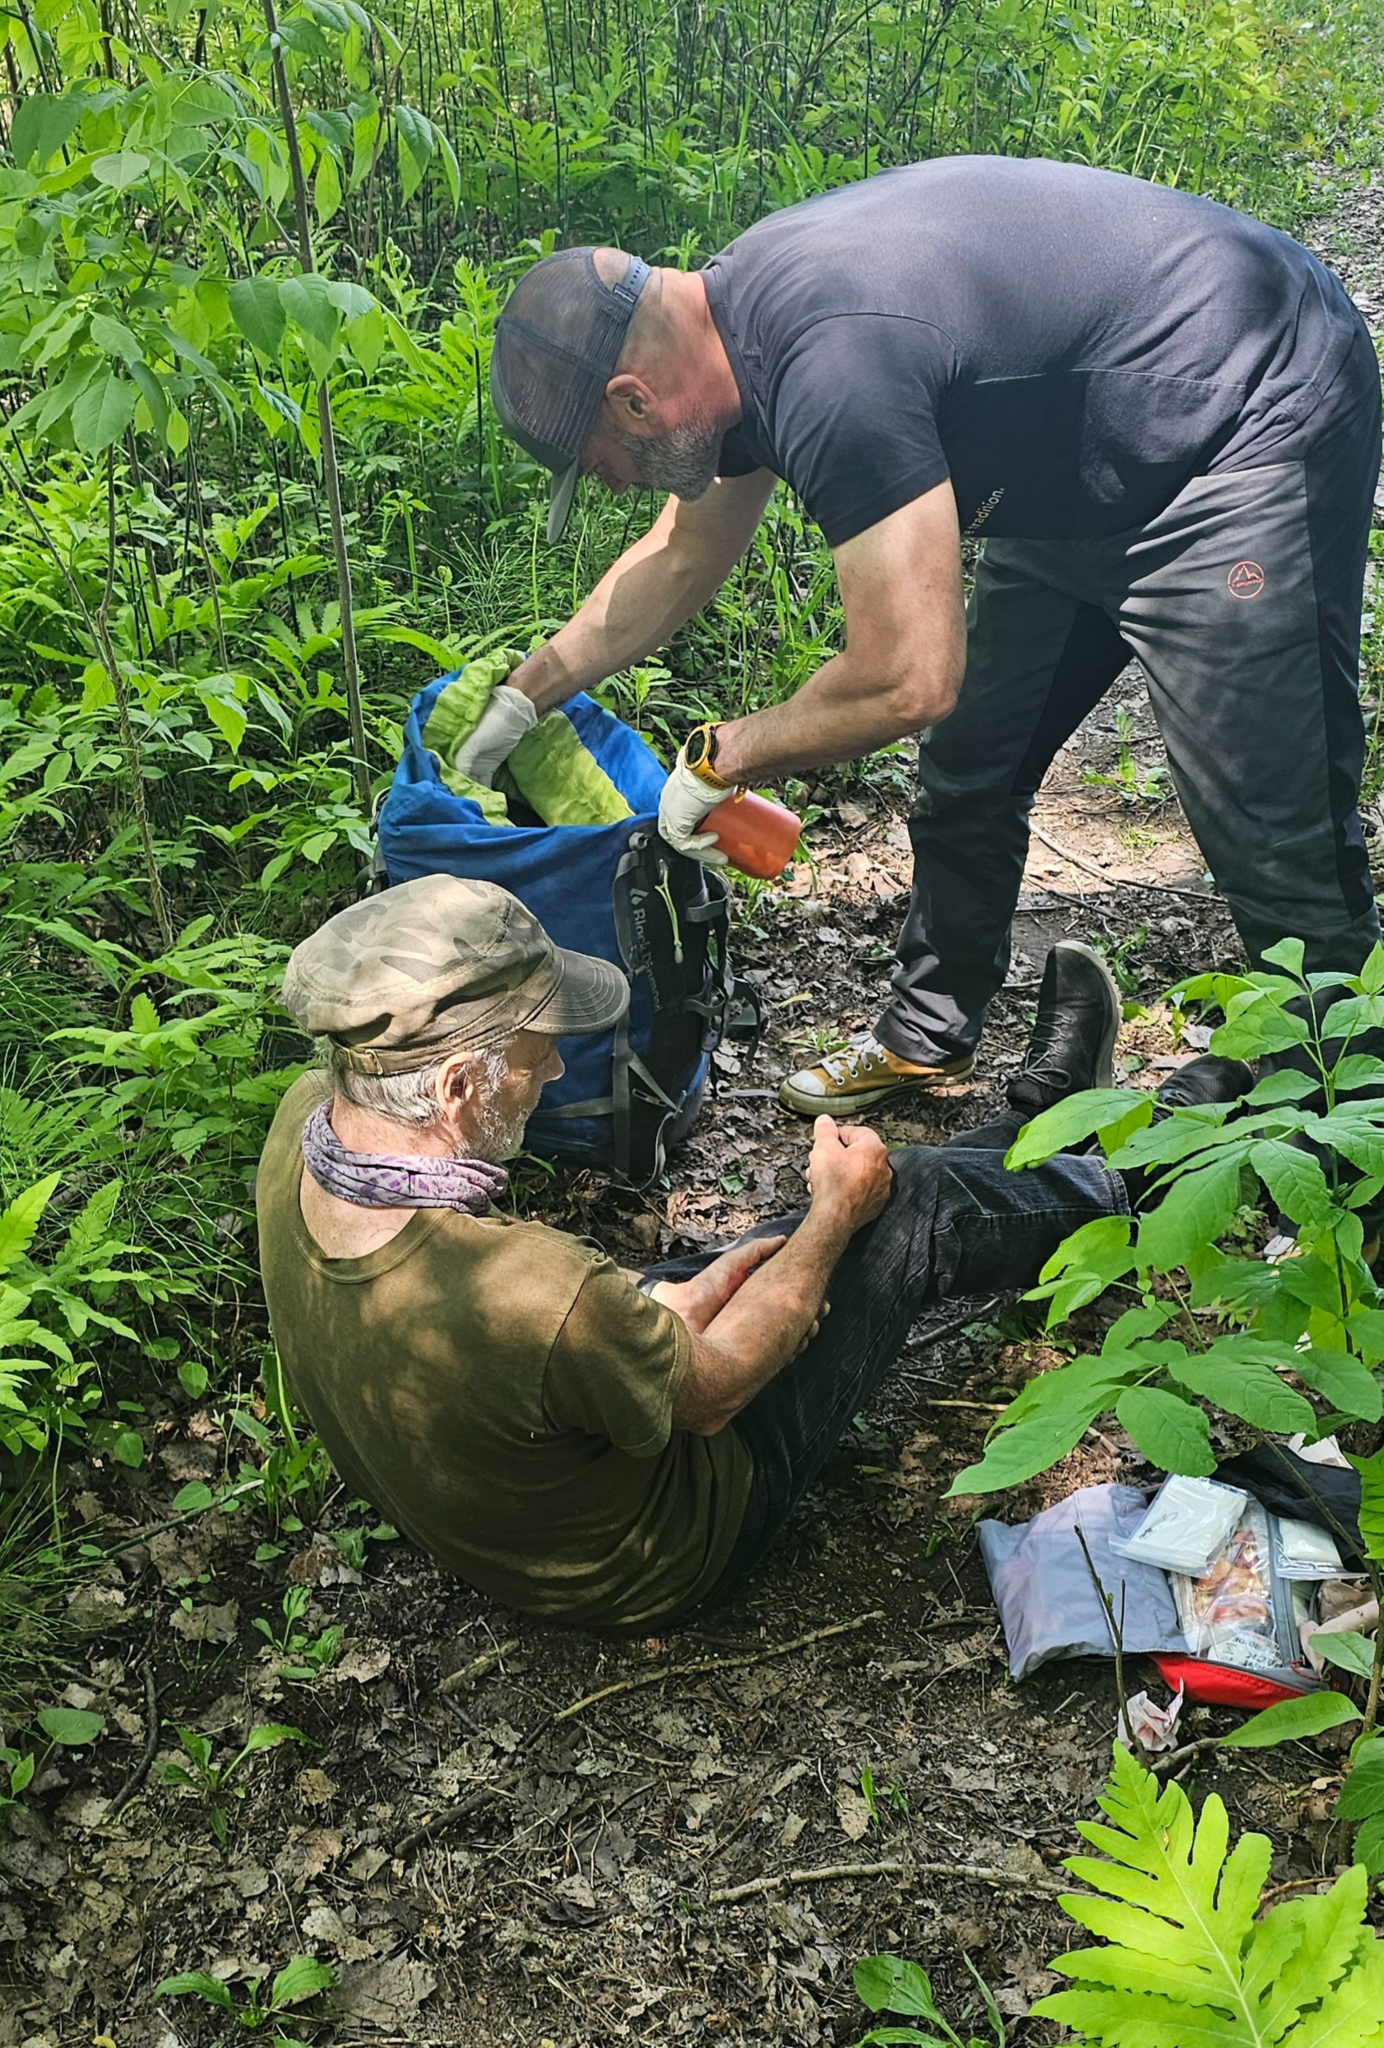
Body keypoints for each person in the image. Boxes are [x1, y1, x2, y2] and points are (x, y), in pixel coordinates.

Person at [465, 156, 1380, 1126]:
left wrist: (722, 759)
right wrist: (529, 693)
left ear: (634, 401)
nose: (610, 483)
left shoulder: (830, 364)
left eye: (596, 463)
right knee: (974, 761)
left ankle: (1349, 1126)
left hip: (1244, 408)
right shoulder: (727, 337)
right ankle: (927, 1032)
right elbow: (681, 557)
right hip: (1077, 456)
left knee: (1270, 822)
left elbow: (908, 676)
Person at [256, 874, 1249, 1634]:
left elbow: (568, 1323)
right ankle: (1159, 1166)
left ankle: (1051, 1122)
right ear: (457, 1091)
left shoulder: (308, 1122)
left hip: (521, 1499)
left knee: (829, 1216)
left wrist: (748, 1265)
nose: (555, 1066)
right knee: (903, 1203)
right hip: (669, 1548)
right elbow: (716, 1388)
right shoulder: (533, 1293)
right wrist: (828, 1221)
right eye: (536, 1050)